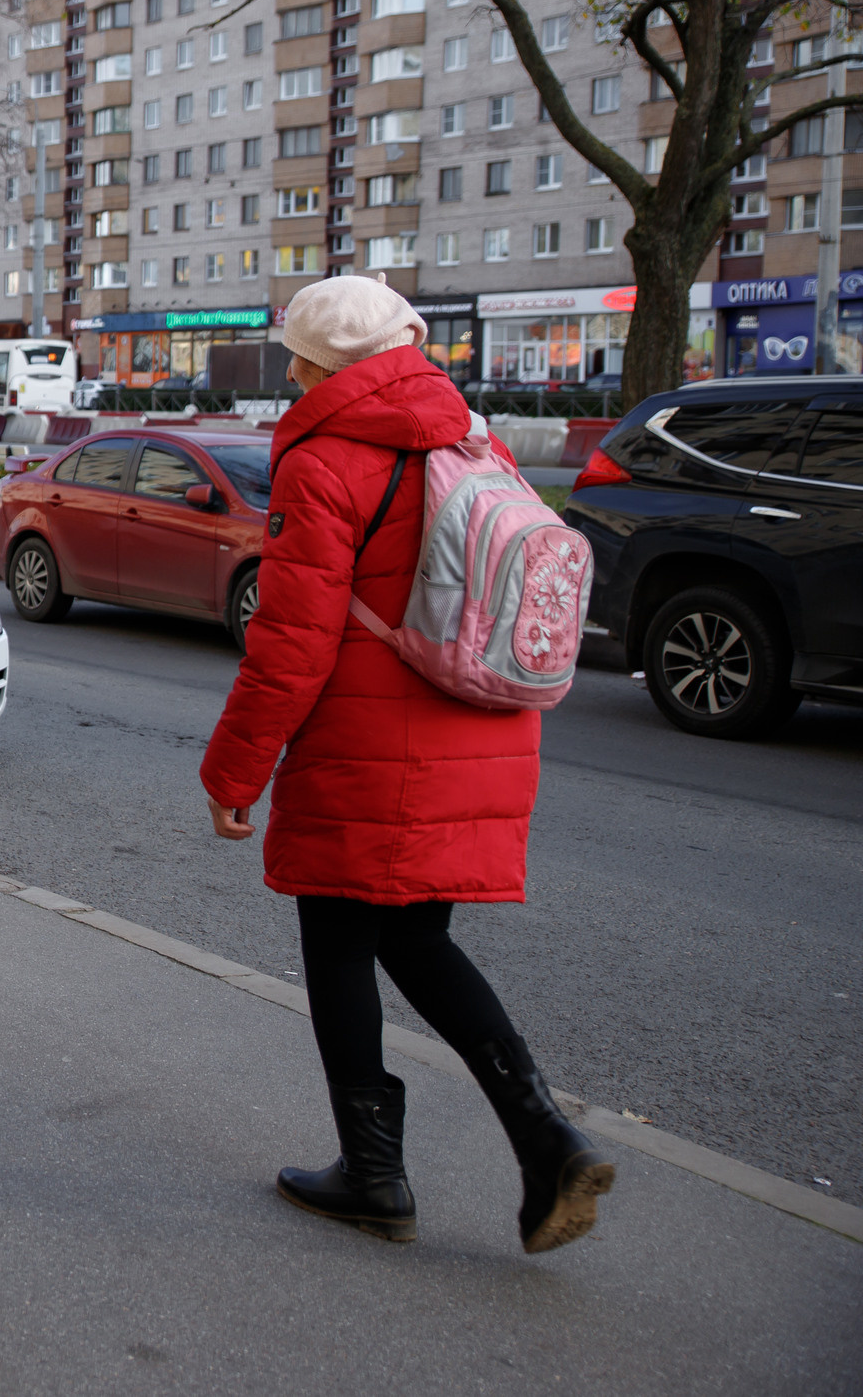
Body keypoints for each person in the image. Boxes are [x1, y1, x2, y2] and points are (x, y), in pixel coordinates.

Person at [200, 275, 615, 1255]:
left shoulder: (326, 458)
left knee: (339, 938)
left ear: (317, 362)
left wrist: (234, 774)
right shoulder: (470, 436)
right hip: (479, 722)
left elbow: (291, 643)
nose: (288, 369)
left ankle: (376, 1175)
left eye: (294, 353)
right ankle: (541, 1135)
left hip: (370, 741)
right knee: (416, 940)